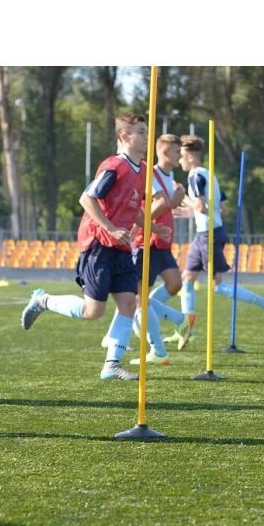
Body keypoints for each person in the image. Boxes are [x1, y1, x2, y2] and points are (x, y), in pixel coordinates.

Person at [20, 113, 170, 381]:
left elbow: (132, 208)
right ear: (124, 136)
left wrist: (153, 227)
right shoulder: (114, 166)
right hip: (98, 244)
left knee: (128, 303)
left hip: (121, 247)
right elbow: (86, 198)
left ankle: (112, 364)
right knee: (93, 312)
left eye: (146, 131)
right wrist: (110, 228)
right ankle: (43, 300)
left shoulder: (144, 169)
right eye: (140, 132)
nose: (146, 136)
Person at [99, 133, 193, 363]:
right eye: (176, 152)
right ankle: (159, 346)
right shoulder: (151, 173)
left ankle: (168, 323)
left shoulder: (170, 178)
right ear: (164, 152)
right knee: (137, 298)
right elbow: (157, 205)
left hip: (161, 242)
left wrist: (176, 205)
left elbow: (164, 205)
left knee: (173, 285)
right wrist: (169, 204)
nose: (180, 156)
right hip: (146, 241)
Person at [176, 134, 264, 331]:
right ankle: (186, 329)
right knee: (186, 280)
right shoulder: (210, 175)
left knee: (218, 286)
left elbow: (201, 207)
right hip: (204, 234)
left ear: (189, 156)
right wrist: (188, 212)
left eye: (180, 155)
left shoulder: (194, 176)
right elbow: (221, 209)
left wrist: (182, 197)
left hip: (209, 235)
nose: (178, 159)